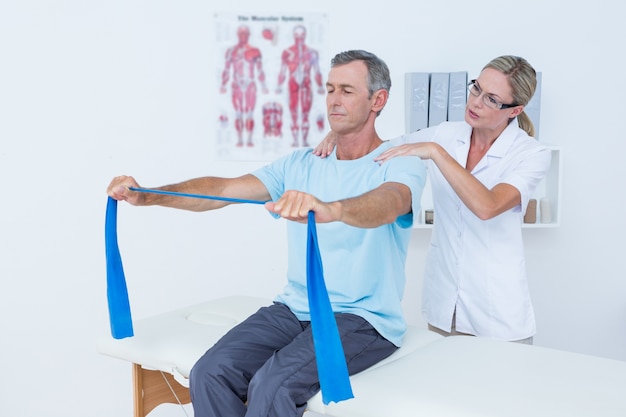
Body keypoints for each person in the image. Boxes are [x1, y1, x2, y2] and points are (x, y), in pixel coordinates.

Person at [107, 49, 426, 417]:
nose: (335, 100)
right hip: (292, 308)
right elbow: (223, 190)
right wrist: (148, 195)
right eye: (330, 89)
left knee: (271, 387)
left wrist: (331, 209)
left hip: (362, 320)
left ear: (378, 100)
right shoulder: (302, 163)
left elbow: (390, 202)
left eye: (348, 91)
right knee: (209, 373)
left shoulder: (400, 162)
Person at [315, 55, 550, 344]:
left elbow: (487, 206)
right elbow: (382, 150)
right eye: (476, 88)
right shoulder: (447, 133)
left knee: (499, 388)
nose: (475, 102)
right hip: (444, 304)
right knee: (442, 386)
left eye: (491, 99)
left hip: (497, 310)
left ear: (515, 110)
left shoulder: (531, 154)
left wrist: (437, 152)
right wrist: (339, 132)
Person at [275, 24, 325, 147]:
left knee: (305, 114)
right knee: (293, 113)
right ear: (293, 36)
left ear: (305, 36)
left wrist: (319, 86)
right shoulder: (287, 53)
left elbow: (317, 70)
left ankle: (304, 140)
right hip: (292, 84)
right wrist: (279, 85)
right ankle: (295, 141)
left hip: (306, 84)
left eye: (302, 35)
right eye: (297, 35)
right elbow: (282, 70)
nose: (299, 38)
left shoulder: (312, 53)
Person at [219, 24, 269, 147]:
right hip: (236, 84)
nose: (243, 36)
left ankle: (250, 139)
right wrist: (223, 84)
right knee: (238, 113)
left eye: (245, 34)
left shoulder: (255, 51)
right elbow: (226, 69)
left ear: (249, 35)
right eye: (241, 33)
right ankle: (240, 139)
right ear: (237, 35)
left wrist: (263, 85)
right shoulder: (231, 51)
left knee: (250, 113)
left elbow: (259, 69)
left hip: (250, 85)